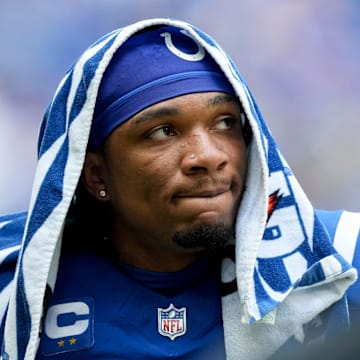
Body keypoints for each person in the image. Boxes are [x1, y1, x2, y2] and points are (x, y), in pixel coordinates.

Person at [0, 18, 359, 360]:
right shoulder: (14, 282)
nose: (208, 156)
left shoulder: (339, 257)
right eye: (162, 131)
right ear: (96, 176)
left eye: (224, 123)